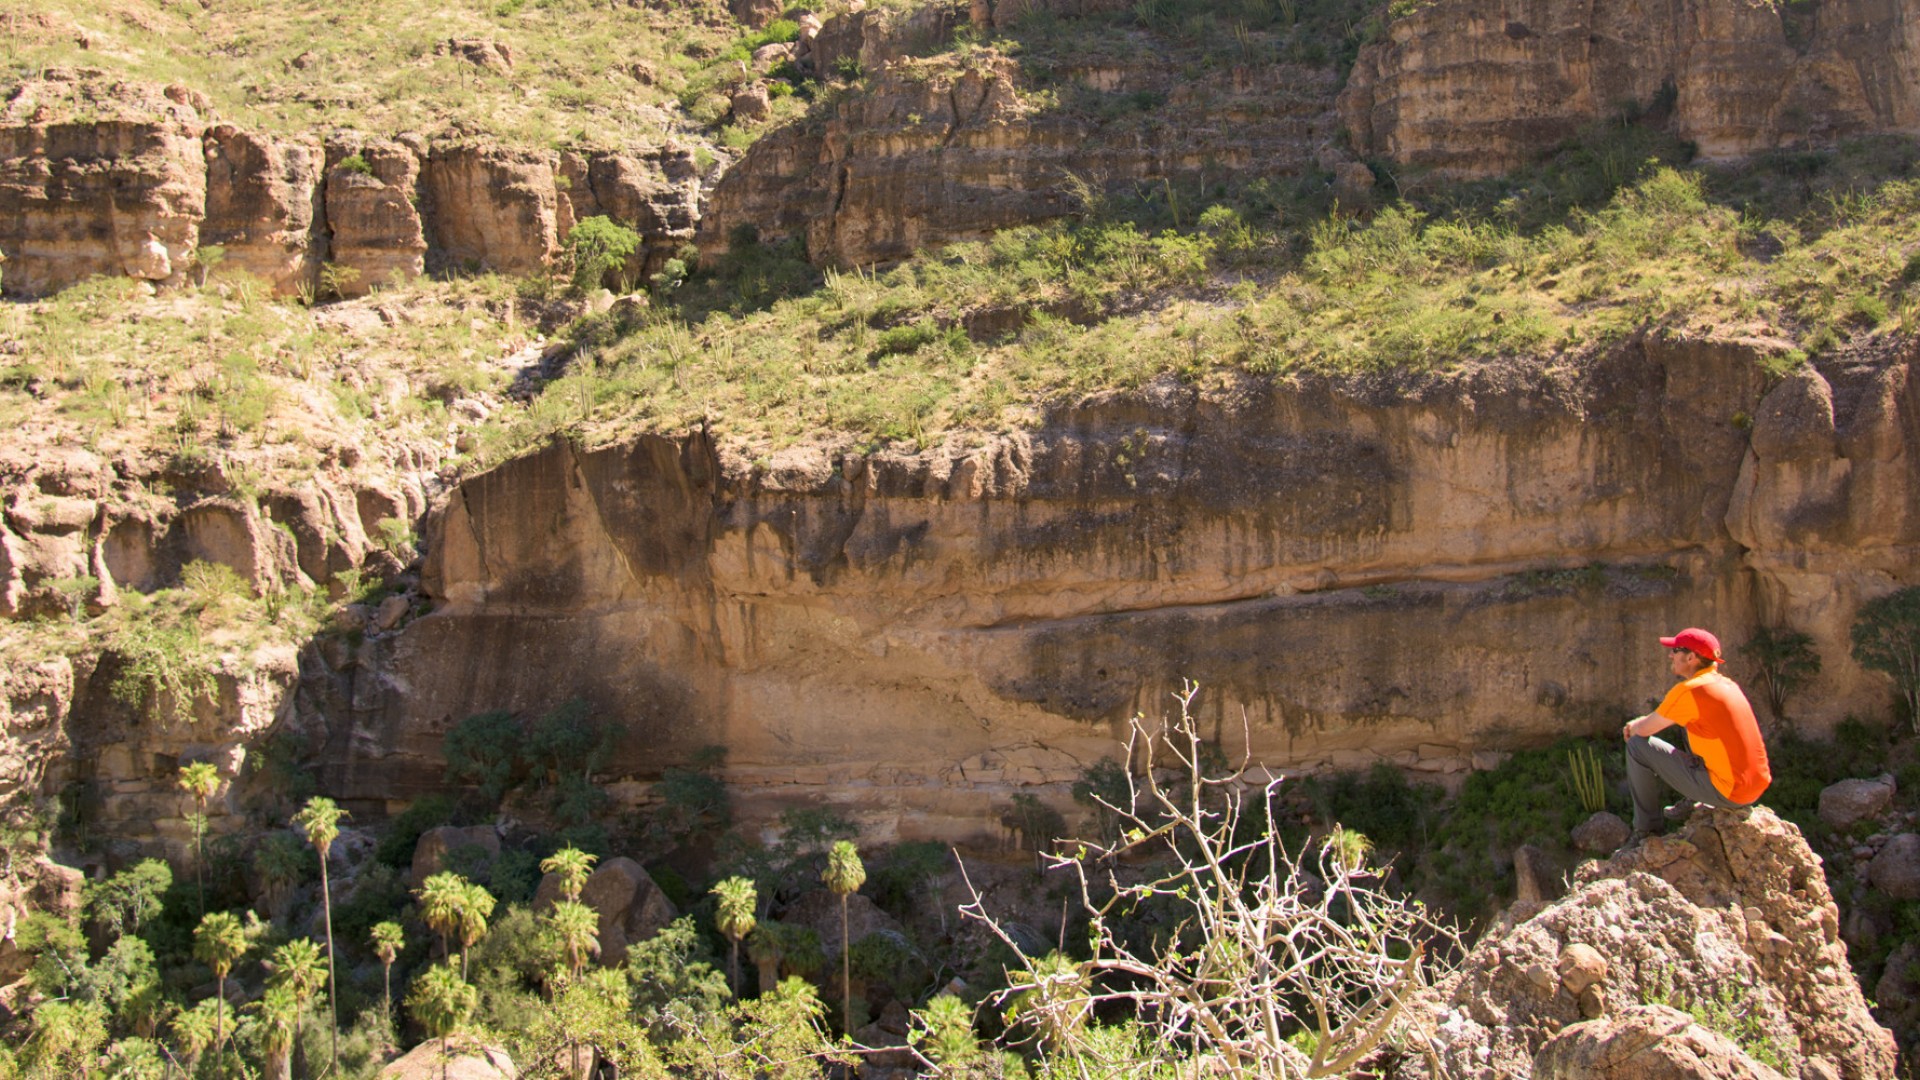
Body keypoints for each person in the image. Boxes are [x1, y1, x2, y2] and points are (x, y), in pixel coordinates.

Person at [1620, 627, 1772, 839]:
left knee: (1636, 745)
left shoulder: (1690, 691)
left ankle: (1646, 829)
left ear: (1691, 657)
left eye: (1675, 651)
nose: (1670, 655)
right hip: (1754, 786)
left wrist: (1633, 726)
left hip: (1730, 792)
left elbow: (1644, 729)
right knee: (1690, 723)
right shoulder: (1727, 685)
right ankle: (1694, 798)